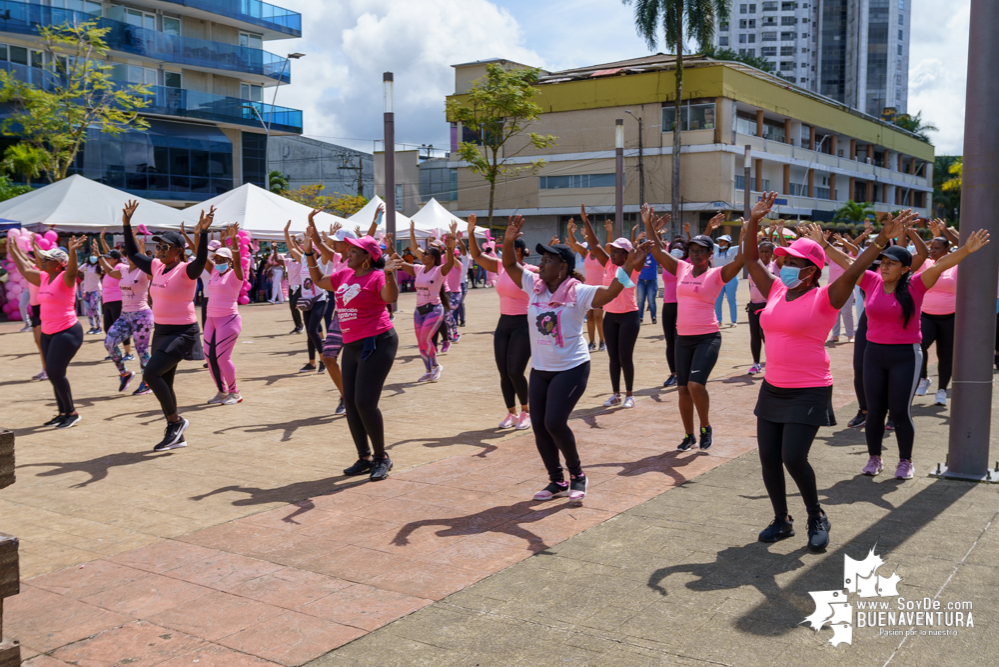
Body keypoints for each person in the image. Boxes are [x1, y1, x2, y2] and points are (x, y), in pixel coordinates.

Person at [743, 194, 887, 551]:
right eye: (784, 260)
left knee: (793, 456)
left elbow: (854, 271)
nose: (784, 266)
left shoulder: (826, 297)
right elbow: (749, 258)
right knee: (768, 458)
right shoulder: (776, 289)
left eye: (793, 262)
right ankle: (782, 520)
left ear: (811, 270)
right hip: (773, 388)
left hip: (809, 389)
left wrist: (883, 239)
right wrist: (752, 222)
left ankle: (815, 514)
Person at [826, 212, 988, 480]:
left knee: (899, 410)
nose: (885, 267)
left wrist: (966, 250)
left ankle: (905, 461)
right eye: (883, 263)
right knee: (875, 410)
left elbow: (939, 265)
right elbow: (848, 261)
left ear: (905, 268)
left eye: (891, 264)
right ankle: (874, 458)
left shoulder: (915, 284)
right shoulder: (871, 281)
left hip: (905, 355)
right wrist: (825, 244)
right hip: (873, 354)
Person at [501, 214, 650, 501]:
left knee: (555, 422)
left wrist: (629, 267)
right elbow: (509, 264)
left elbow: (609, 294)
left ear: (563, 267)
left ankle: (578, 475)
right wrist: (508, 240)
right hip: (541, 368)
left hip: (571, 367)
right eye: (542, 259)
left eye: (548, 260)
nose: (541, 263)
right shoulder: (533, 284)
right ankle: (556, 481)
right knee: (541, 426)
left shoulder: (579, 292)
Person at [303, 220, 401, 482]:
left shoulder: (378, 275)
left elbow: (390, 298)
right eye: (350, 251)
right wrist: (309, 252)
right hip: (353, 343)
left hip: (379, 342)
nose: (349, 254)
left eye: (355, 252)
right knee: (351, 401)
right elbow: (319, 280)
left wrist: (390, 273)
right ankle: (365, 457)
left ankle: (382, 457)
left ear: (368, 258)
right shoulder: (345, 274)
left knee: (365, 402)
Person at [644, 208, 742, 451]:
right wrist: (648, 224)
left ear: (710, 253)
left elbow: (743, 259)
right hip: (682, 339)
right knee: (682, 390)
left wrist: (750, 231)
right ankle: (689, 435)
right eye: (692, 250)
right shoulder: (681, 268)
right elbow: (656, 250)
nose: (695, 254)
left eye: (701, 251)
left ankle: (705, 426)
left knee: (695, 385)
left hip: (707, 338)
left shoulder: (718, 274)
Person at [121, 200, 212, 452]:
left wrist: (203, 233)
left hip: (183, 331)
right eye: (158, 245)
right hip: (161, 331)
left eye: (165, 246)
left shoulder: (186, 270)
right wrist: (126, 224)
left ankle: (176, 422)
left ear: (178, 251)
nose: (158, 250)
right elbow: (132, 253)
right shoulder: (156, 266)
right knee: (165, 382)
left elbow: (202, 258)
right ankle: (176, 436)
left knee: (151, 374)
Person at [8, 237, 85, 428]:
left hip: (67, 331)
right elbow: (25, 271)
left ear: (59, 265)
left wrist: (72, 251)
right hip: (48, 331)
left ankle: (72, 412)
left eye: (47, 259)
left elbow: (73, 270)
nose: (43, 261)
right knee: (53, 373)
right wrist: (13, 250)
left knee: (55, 371)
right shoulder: (43, 277)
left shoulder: (65, 278)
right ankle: (63, 413)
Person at [467, 213, 533, 430]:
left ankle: (526, 412)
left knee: (515, 371)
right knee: (504, 372)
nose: (506, 252)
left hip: (524, 324)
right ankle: (511, 414)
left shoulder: (531, 271)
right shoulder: (500, 266)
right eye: (506, 248)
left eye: (512, 248)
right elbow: (476, 255)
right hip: (503, 324)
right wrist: (470, 233)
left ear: (521, 252)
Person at [576, 206, 641, 408]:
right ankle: (616, 394)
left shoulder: (632, 268)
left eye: (616, 252)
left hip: (629, 316)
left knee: (625, 357)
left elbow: (640, 256)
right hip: (611, 317)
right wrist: (586, 221)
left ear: (626, 254)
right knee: (613, 357)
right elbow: (594, 244)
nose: (611, 254)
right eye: (611, 251)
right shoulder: (609, 265)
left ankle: (630, 394)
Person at [399, 221, 457, 382]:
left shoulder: (439, 270)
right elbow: (402, 260)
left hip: (434, 309)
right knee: (420, 342)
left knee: (426, 339)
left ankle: (436, 366)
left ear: (434, 258)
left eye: (426, 254)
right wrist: (410, 233)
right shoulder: (418, 269)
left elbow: (450, 263)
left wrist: (450, 247)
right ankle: (428, 369)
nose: (422, 256)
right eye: (422, 254)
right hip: (419, 310)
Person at [99, 230, 153, 395]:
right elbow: (109, 271)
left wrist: (142, 254)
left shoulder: (144, 271)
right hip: (125, 315)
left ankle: (147, 382)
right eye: (128, 255)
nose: (130, 258)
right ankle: (125, 373)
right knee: (109, 342)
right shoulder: (123, 270)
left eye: (133, 255)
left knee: (141, 349)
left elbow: (153, 273)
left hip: (142, 315)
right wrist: (99, 256)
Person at [916, 220, 961, 406]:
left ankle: (942, 390)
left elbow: (963, 245)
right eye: (931, 247)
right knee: (919, 347)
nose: (932, 251)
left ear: (947, 251)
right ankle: (924, 378)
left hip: (950, 317)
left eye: (936, 248)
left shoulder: (956, 265)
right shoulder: (925, 263)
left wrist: (944, 230)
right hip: (926, 314)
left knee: (945, 355)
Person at [204, 224, 245, 406]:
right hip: (211, 319)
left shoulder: (235, 275)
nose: (218, 261)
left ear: (229, 261)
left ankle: (235, 393)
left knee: (222, 357)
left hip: (228, 319)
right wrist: (199, 233)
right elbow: (201, 257)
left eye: (222, 259)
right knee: (209, 356)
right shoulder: (214, 272)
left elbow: (237, 261)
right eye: (216, 258)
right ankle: (222, 392)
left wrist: (234, 241)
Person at [283, 219, 328, 373]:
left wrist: (317, 237)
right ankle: (312, 363)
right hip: (306, 300)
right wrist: (286, 233)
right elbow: (290, 247)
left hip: (320, 299)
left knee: (313, 330)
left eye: (312, 249)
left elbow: (325, 247)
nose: (309, 251)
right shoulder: (303, 260)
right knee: (310, 332)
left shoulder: (322, 261)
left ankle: (324, 361)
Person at [566, 220, 605, 351]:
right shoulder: (586, 254)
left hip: (599, 290)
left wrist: (610, 232)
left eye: (593, 248)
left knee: (599, 316)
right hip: (587, 290)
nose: (591, 251)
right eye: (589, 248)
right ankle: (592, 342)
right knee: (589, 316)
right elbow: (574, 244)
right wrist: (570, 231)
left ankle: (602, 341)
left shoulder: (603, 256)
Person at [97, 231, 133, 362]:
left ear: (115, 259)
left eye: (108, 258)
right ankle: (115, 351)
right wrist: (101, 239)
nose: (106, 260)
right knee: (108, 328)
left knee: (121, 328)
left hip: (118, 301)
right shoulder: (109, 268)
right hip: (107, 302)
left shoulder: (121, 267)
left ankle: (129, 353)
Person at [660, 233, 686, 388]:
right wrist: (654, 231)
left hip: (682, 305)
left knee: (679, 341)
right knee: (670, 341)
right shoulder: (666, 263)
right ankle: (674, 374)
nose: (677, 251)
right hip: (668, 305)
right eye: (674, 248)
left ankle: (682, 373)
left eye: (681, 249)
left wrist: (709, 228)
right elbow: (658, 249)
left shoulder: (688, 263)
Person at [712, 222, 740, 327]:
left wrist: (744, 232)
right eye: (720, 241)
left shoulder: (732, 250)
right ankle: (718, 320)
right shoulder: (715, 248)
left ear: (727, 243)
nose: (720, 242)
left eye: (723, 241)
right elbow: (704, 240)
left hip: (731, 277)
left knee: (731, 299)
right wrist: (711, 227)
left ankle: (734, 321)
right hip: (718, 277)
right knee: (717, 300)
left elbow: (743, 245)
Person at [280, 222, 305, 334]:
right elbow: (292, 248)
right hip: (293, 285)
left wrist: (295, 242)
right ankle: (298, 326)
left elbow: (296, 250)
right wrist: (286, 233)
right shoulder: (299, 259)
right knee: (292, 306)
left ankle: (302, 326)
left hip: (303, 286)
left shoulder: (306, 259)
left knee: (297, 305)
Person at [80, 247, 103, 334]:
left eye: (95, 255)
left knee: (94, 308)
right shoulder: (85, 265)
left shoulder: (100, 266)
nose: (93, 257)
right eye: (92, 255)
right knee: (88, 310)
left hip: (96, 290)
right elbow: (78, 272)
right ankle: (92, 327)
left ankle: (99, 327)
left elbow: (106, 273)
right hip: (86, 291)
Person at [636, 242, 659, 325]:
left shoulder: (654, 255)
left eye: (648, 247)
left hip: (652, 281)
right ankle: (640, 317)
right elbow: (633, 247)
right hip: (641, 280)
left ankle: (653, 317)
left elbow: (659, 247)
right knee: (641, 300)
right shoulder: (640, 254)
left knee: (651, 300)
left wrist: (657, 234)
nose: (646, 248)